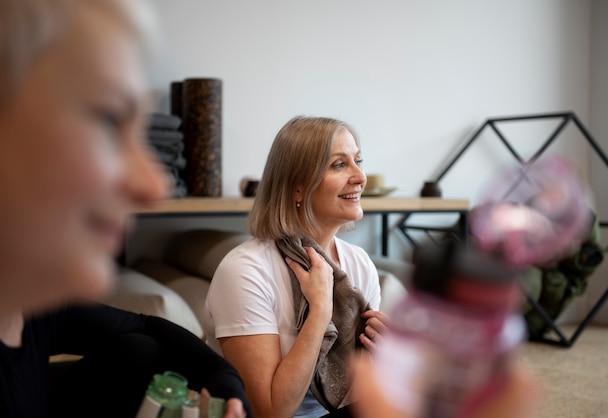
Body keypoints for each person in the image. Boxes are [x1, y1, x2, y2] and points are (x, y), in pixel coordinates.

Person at [0, 1, 249, 417]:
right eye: (110, 120)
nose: (156, 184)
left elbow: (145, 327)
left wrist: (226, 383)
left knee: (139, 348)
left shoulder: (33, 307)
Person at [205, 116, 388, 418]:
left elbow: (367, 392)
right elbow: (270, 411)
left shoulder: (359, 264)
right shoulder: (245, 271)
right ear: (297, 188)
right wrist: (319, 312)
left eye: (358, 161)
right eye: (339, 165)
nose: (360, 177)